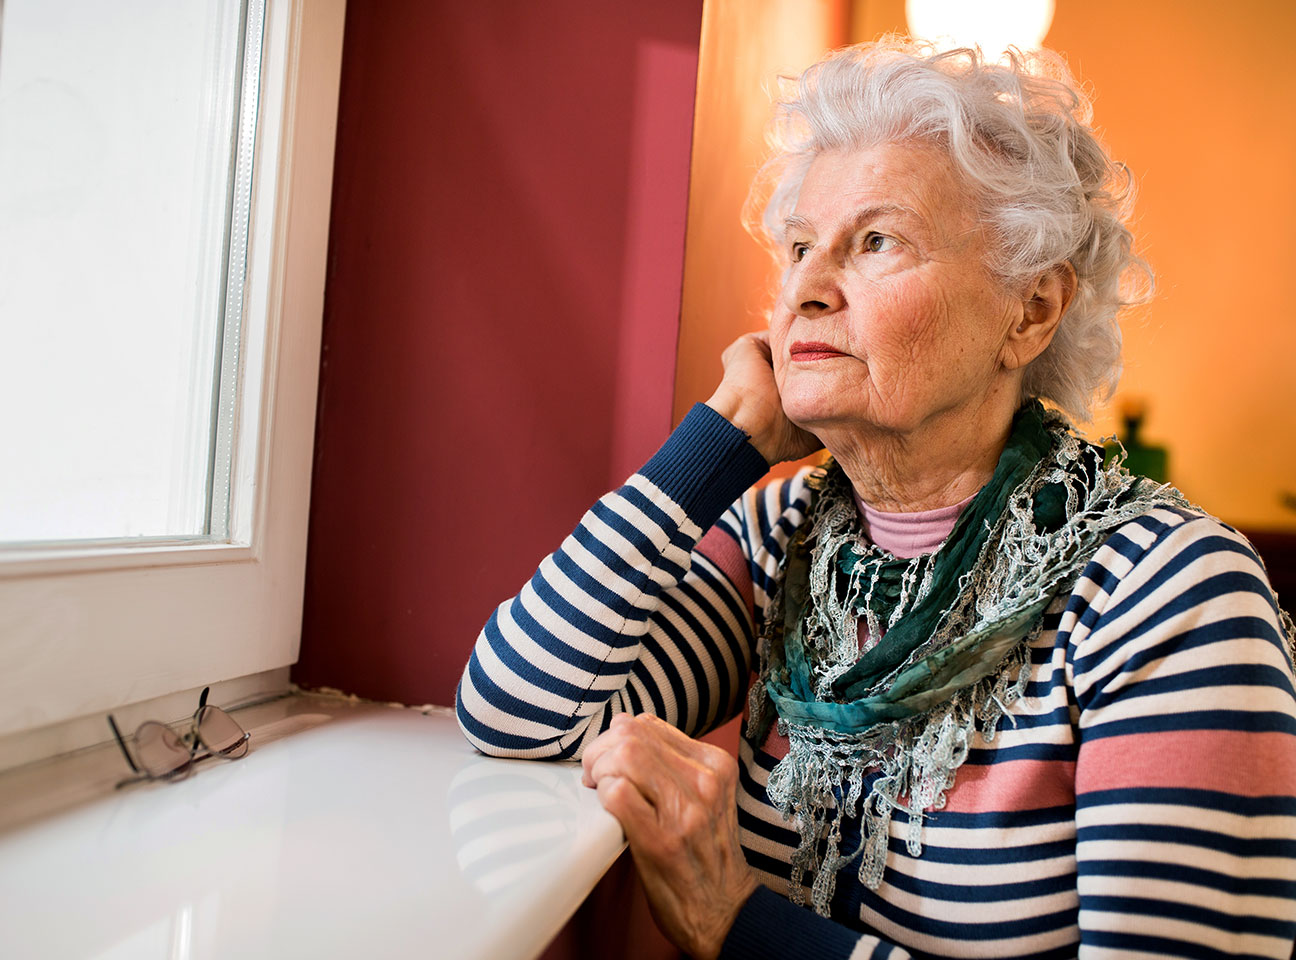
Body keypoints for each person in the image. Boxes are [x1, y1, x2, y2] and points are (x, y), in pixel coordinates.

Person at [456, 40, 1296, 960]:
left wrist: (740, 926)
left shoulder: (1170, 594)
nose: (807, 291)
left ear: (1031, 311)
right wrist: (719, 438)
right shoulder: (787, 539)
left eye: (876, 241)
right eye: (801, 247)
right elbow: (520, 712)